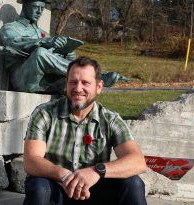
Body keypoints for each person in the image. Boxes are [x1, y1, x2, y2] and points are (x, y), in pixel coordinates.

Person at [23, 56, 147, 205]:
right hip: (57, 190)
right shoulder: (45, 114)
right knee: (38, 186)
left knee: (134, 184)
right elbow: (31, 161)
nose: (78, 88)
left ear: (99, 87)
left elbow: (138, 162)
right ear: (66, 84)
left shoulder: (110, 120)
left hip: (94, 193)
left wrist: (97, 171)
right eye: (73, 82)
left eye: (85, 83)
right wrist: (63, 175)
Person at [0, 0, 128, 94]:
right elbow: (14, 43)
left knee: (74, 83)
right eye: (36, 7)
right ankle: (92, 76)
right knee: (40, 53)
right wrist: (45, 42)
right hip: (23, 79)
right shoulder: (10, 28)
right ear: (25, 5)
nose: (39, 12)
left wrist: (66, 52)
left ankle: (91, 80)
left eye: (42, 9)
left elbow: (54, 60)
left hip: (45, 80)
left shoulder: (42, 33)